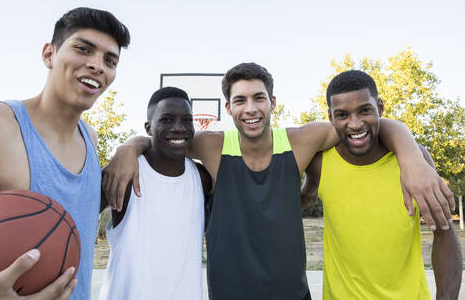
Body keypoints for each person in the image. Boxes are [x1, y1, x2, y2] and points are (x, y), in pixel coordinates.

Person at [103, 63, 455, 300]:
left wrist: (409, 151)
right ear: (228, 108)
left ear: (272, 102)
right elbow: (163, 137)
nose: (250, 108)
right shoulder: (210, 146)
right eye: (240, 100)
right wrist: (128, 147)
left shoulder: (302, 140)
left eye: (258, 98)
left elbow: (363, 124)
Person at [0, 7, 130, 300]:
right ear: (49, 54)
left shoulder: (91, 140)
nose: (97, 65)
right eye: (83, 49)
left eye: (110, 60)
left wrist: (131, 146)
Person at [301, 70, 462, 299]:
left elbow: (444, 236)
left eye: (364, 110)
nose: (355, 124)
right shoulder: (318, 163)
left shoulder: (416, 162)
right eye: (343, 115)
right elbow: (305, 197)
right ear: (330, 117)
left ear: (380, 108)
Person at [98, 87, 212, 300]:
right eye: (167, 120)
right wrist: (129, 146)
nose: (179, 128)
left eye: (187, 120)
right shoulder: (122, 173)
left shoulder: (202, 178)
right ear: (148, 127)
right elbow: (71, 219)